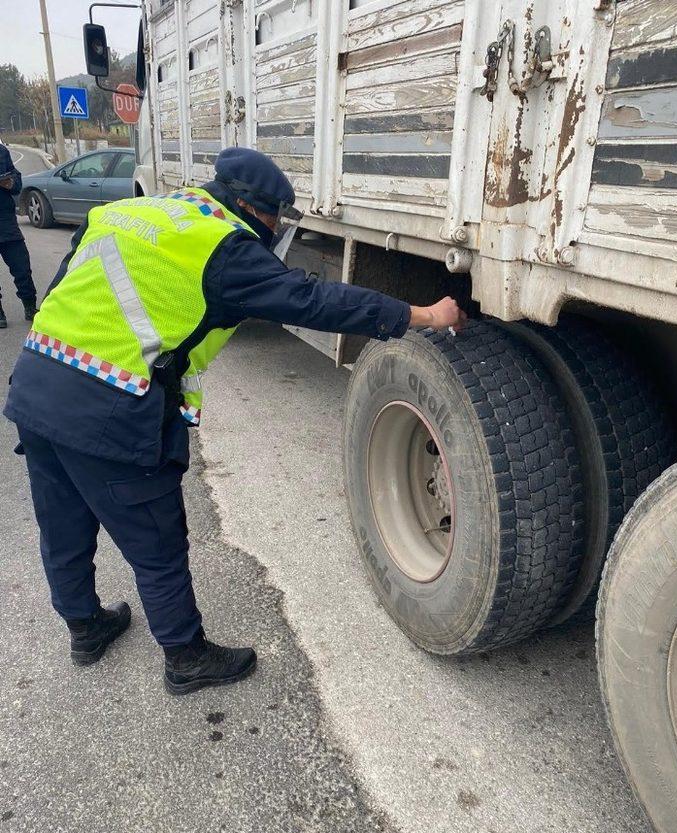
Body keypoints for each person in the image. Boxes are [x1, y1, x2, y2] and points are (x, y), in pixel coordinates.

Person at [3, 147, 465, 696]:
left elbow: (62, 289)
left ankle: (85, 629)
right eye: (275, 218)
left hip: (35, 385)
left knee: (62, 523)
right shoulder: (225, 247)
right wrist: (425, 314)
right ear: (250, 207)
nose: (276, 230)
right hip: (107, 410)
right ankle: (185, 658)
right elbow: (314, 300)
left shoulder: (130, 212)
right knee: (156, 544)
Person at [0, 141, 38, 328]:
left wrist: (10, 183)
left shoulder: (1, 152)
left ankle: (30, 306)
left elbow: (17, 181)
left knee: (22, 267)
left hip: (6, 223)